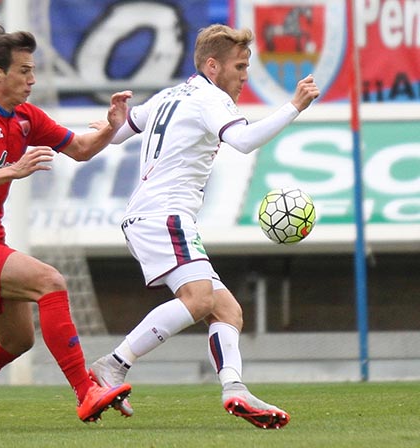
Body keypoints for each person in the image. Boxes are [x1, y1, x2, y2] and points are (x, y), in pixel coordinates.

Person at [88, 24, 319, 429]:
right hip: (165, 215)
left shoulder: (172, 94)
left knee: (226, 309)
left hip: (156, 216)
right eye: (239, 66)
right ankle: (113, 365)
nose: (244, 75)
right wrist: (294, 106)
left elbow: (119, 133)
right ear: (213, 66)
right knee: (198, 300)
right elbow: (243, 142)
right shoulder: (210, 99)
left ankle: (234, 389)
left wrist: (107, 125)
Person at [0, 23, 132, 430]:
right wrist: (12, 171)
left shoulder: (26, 118)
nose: (32, 80)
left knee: (18, 341)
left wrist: (112, 126)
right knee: (50, 281)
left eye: (33, 71)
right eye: (24, 71)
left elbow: (81, 150)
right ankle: (86, 391)